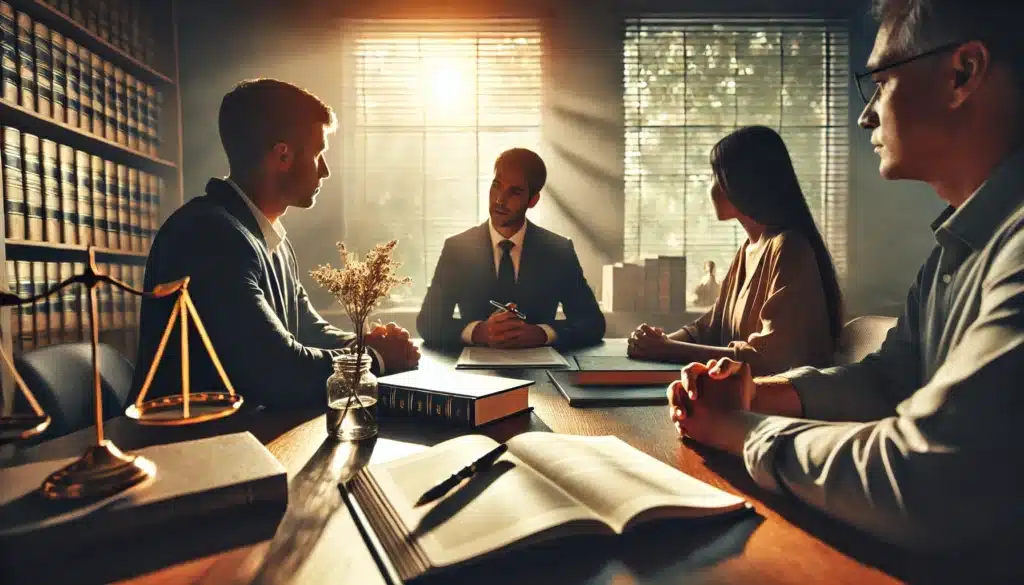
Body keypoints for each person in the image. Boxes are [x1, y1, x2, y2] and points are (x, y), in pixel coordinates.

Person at [669, 0, 1024, 550]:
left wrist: (742, 430)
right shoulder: (953, 249)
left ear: (962, 73)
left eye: (881, 83)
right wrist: (757, 394)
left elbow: (929, 479)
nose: (866, 116)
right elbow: (889, 381)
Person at [132, 79, 419, 408]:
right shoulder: (209, 235)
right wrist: (373, 358)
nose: (325, 171)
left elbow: (309, 330)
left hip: (243, 431)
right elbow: (280, 372)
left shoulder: (269, 237)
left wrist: (367, 343)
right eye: (318, 154)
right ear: (283, 156)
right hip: (187, 435)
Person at [628, 126, 843, 376]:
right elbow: (711, 327)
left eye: (715, 176)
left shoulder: (789, 248)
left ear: (742, 182)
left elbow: (768, 360)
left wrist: (665, 348)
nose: (710, 188)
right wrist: (655, 342)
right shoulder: (748, 249)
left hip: (777, 396)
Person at [416, 148, 605, 349]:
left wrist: (541, 334)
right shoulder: (457, 249)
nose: (499, 200)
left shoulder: (558, 250)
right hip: (474, 366)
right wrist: (479, 332)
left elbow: (592, 323)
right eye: (496, 186)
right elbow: (428, 322)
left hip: (541, 365)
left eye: (514, 192)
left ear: (533, 200)